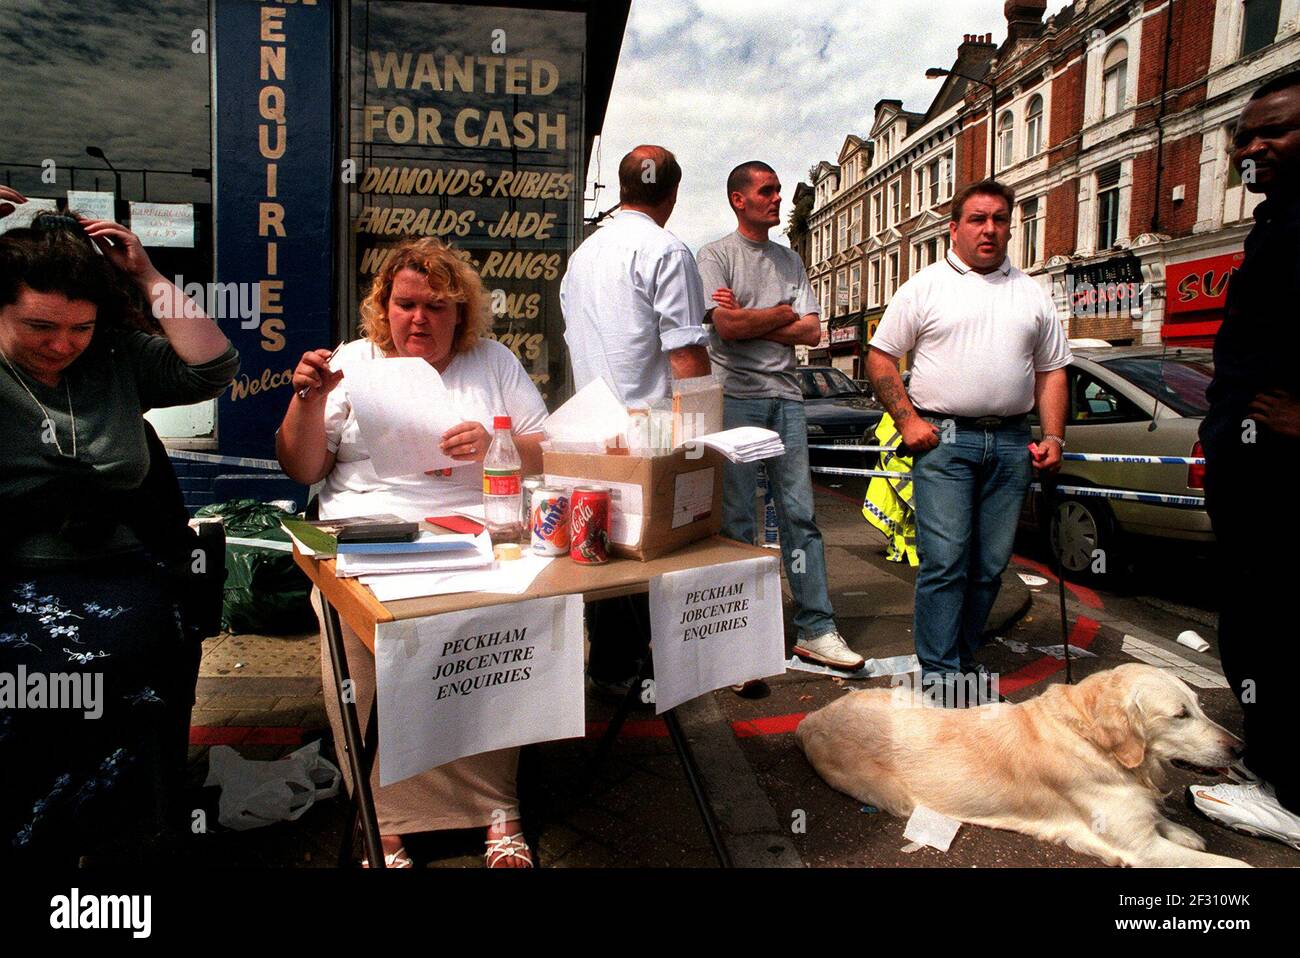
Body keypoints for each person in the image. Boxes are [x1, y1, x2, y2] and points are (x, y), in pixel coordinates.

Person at [277, 237, 547, 868]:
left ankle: (495, 811)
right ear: (384, 305)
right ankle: (386, 822)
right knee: (367, 654)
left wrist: (497, 441)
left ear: (461, 314)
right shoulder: (353, 360)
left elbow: (548, 445)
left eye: (437, 306)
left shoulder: (494, 362)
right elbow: (302, 465)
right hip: (369, 533)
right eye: (405, 304)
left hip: (475, 532)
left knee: (503, 640)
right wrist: (306, 400)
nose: (418, 319)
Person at [0, 189, 240, 862]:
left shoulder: (111, 358)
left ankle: (122, 833)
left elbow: (212, 365)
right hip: (14, 567)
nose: (61, 345)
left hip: (117, 564)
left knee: (133, 658)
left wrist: (147, 276)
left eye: (78, 327)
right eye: (39, 327)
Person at [866, 179, 1070, 706]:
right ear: (954, 229)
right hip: (945, 439)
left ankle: (961, 658)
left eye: (1000, 219)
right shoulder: (925, 286)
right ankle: (939, 676)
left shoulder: (1031, 293)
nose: (990, 229)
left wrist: (1053, 435)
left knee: (989, 566)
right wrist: (908, 420)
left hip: (1009, 441)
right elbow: (881, 356)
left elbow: (1051, 370)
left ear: (1010, 226)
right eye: (978, 219)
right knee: (947, 561)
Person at [1189, 70, 1300, 849]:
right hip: (1256, 472)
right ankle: (1272, 766)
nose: (1253, 146)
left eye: (1276, 131)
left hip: (1287, 480)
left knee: (1279, 633)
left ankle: (1290, 798)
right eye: (1243, 135)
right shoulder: (1277, 221)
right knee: (1258, 627)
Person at [697, 161, 862, 674]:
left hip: (787, 400)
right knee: (738, 521)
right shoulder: (715, 256)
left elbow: (813, 333)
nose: (776, 200)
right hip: (737, 400)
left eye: (777, 192)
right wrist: (781, 314)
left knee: (800, 517)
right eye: (766, 192)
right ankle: (740, 639)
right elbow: (724, 328)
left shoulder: (791, 260)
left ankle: (816, 628)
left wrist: (753, 319)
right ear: (738, 200)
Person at [560, 145, 712, 699]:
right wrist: (703, 442)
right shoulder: (668, 250)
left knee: (606, 550)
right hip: (651, 431)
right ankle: (636, 673)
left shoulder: (582, 257)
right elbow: (686, 355)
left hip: (591, 428)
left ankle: (608, 668)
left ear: (624, 190)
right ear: (671, 195)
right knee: (655, 554)